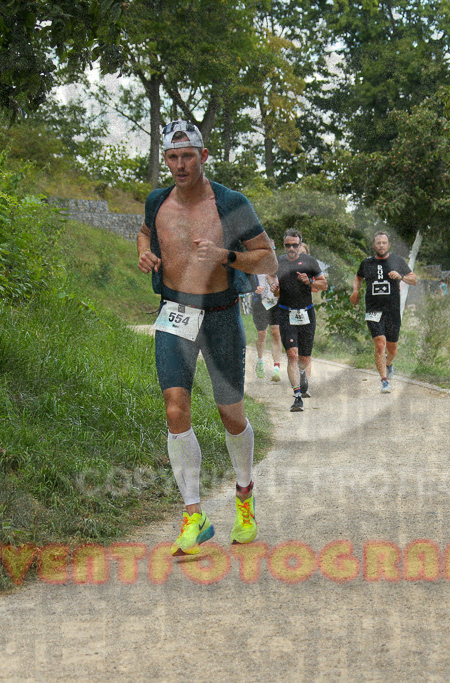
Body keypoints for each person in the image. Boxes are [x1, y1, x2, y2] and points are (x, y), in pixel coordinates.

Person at [136, 120, 278, 557]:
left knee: (230, 413)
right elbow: (145, 231)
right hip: (175, 313)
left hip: (219, 316)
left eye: (188, 157)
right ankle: (193, 516)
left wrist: (226, 256)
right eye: (173, 158)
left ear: (204, 157)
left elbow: (268, 257)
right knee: (175, 406)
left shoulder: (231, 203)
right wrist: (143, 251)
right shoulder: (157, 200)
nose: (180, 165)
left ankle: (244, 495)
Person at [350, 230, 417, 393]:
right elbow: (358, 277)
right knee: (380, 344)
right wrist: (355, 291)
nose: (381, 245)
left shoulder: (397, 260)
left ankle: (389, 364)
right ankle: (384, 381)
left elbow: (413, 280)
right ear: (374, 245)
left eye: (384, 243)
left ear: (389, 245)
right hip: (373, 309)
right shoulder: (366, 263)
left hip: (392, 311)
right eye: (378, 243)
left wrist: (401, 277)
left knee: (392, 349)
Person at [272, 228, 327, 412]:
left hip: (306, 313)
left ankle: (303, 372)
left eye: (295, 245)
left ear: (300, 245)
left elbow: (323, 284)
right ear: (284, 245)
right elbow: (274, 285)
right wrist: (274, 288)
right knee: (292, 355)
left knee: (304, 358)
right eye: (288, 245)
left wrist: (309, 282)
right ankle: (297, 397)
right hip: (286, 312)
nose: (291, 248)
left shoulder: (310, 262)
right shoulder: (278, 262)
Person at [250, 267, 283, 381]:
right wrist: (254, 288)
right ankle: (260, 361)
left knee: (276, 332)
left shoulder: (278, 265)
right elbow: (247, 282)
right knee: (262, 334)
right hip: (260, 304)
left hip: (275, 303)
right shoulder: (256, 267)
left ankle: (276, 367)